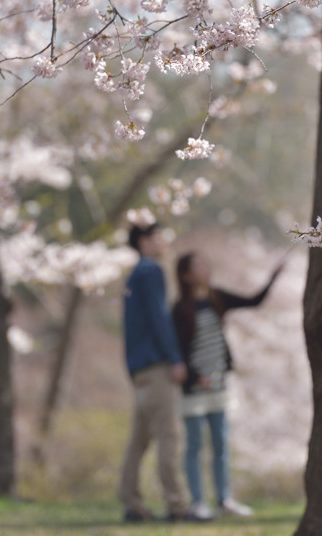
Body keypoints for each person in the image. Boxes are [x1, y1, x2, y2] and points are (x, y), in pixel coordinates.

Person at [173, 250, 283, 521]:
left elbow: (253, 301)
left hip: (219, 380)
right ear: (185, 274)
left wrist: (274, 276)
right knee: (195, 443)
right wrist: (194, 375)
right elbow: (177, 347)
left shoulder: (216, 297)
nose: (204, 269)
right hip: (194, 385)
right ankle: (198, 502)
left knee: (221, 442)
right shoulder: (180, 308)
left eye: (204, 264)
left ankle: (224, 499)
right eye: (197, 266)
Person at [118, 221, 193, 524]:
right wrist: (174, 357)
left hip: (140, 368)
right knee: (168, 435)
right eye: (158, 237)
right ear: (144, 241)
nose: (163, 242)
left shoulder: (136, 275)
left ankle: (132, 502)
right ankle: (177, 505)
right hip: (155, 365)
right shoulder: (150, 271)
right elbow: (159, 317)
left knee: (139, 440)